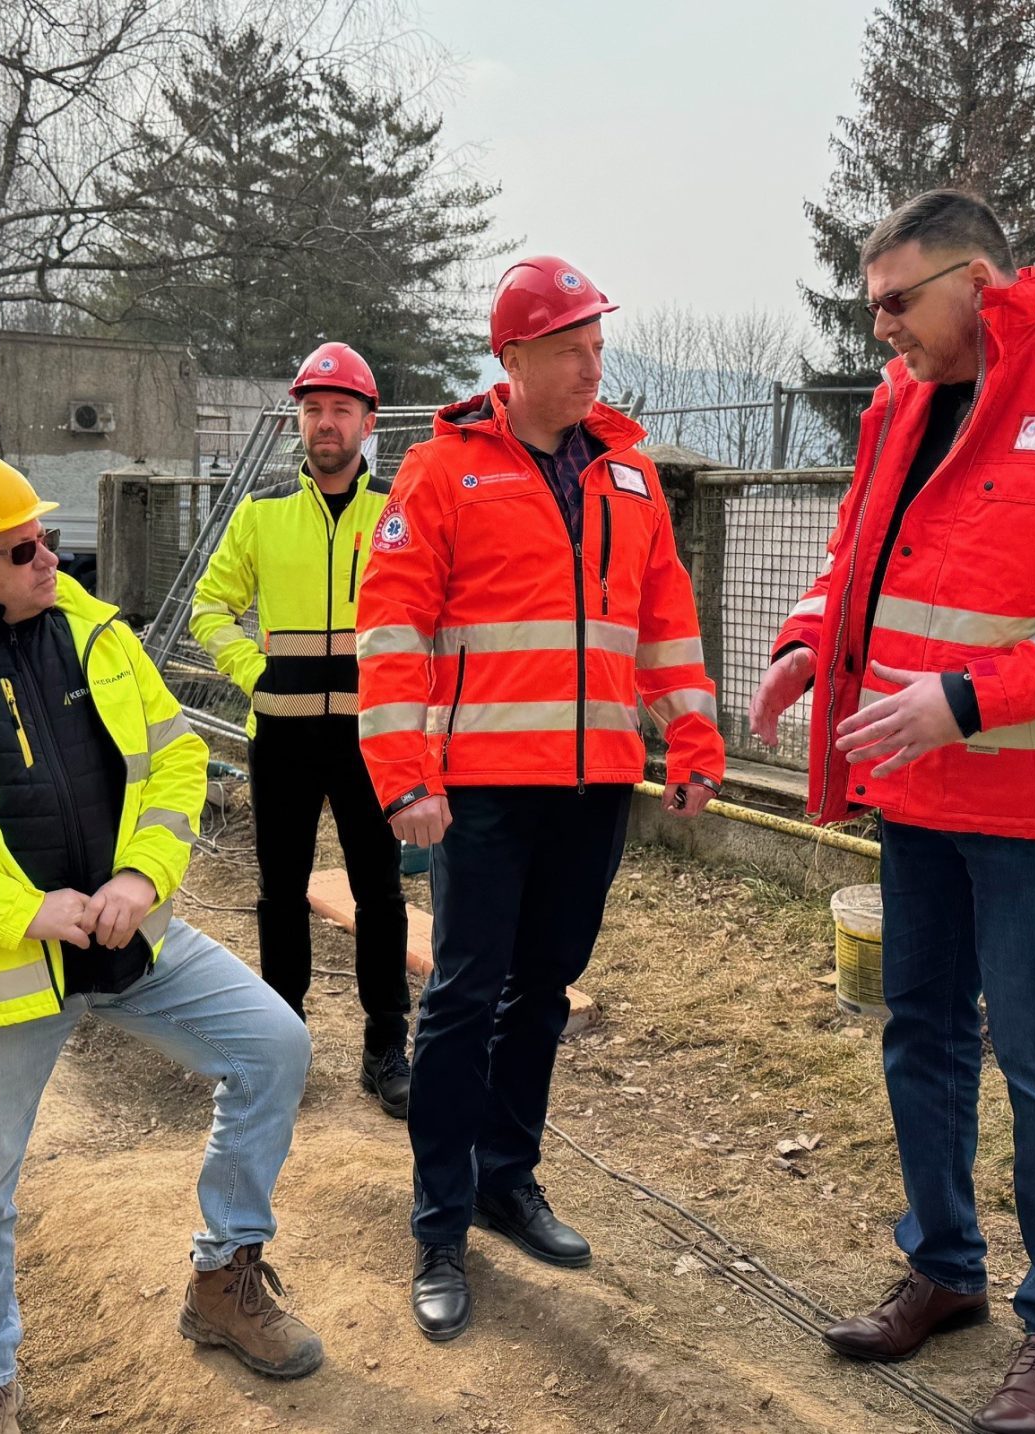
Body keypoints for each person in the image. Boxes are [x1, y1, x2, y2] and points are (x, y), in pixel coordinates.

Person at [750, 191, 1035, 1433]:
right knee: (921, 1032)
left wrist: (968, 699)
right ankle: (944, 1268)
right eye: (869, 305)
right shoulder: (901, 404)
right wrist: (806, 642)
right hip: (919, 790)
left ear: (977, 277)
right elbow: (861, 555)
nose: (880, 327)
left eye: (896, 301)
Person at [0, 451, 323, 1434]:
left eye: (46, 535)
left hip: (127, 939)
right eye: (20, 547)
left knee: (273, 1046)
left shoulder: (92, 630)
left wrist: (141, 877)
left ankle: (223, 1279)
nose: (47, 555)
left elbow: (177, 753)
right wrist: (19, 911)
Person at [355, 255, 724, 1340]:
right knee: (464, 998)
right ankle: (438, 1221)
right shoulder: (439, 472)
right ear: (511, 360)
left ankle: (508, 1180)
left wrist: (692, 738)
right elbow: (392, 638)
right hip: (479, 791)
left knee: (546, 988)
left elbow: (665, 627)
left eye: (597, 348)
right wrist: (405, 777)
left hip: (593, 786)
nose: (589, 369)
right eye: (570, 350)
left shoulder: (631, 478)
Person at [190, 341, 412, 1116]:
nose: (325, 424)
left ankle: (388, 1045)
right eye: (313, 410)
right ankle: (277, 1043)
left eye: (341, 410)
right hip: (281, 737)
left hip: (370, 740)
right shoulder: (262, 516)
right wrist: (255, 672)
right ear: (300, 420)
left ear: (367, 424)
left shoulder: (396, 516)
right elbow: (208, 608)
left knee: (380, 895)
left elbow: (430, 616)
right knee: (280, 894)